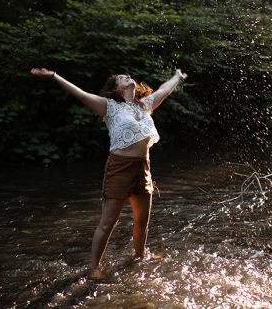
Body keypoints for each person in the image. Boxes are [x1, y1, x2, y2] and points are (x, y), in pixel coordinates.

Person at [30, 67, 187, 280]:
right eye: (122, 78)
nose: (128, 77)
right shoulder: (109, 107)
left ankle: (140, 256)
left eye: (129, 76)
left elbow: (164, 90)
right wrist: (55, 76)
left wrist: (177, 76)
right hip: (119, 168)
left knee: (142, 220)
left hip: (143, 167)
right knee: (108, 223)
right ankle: (94, 266)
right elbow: (80, 94)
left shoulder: (145, 105)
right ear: (116, 88)